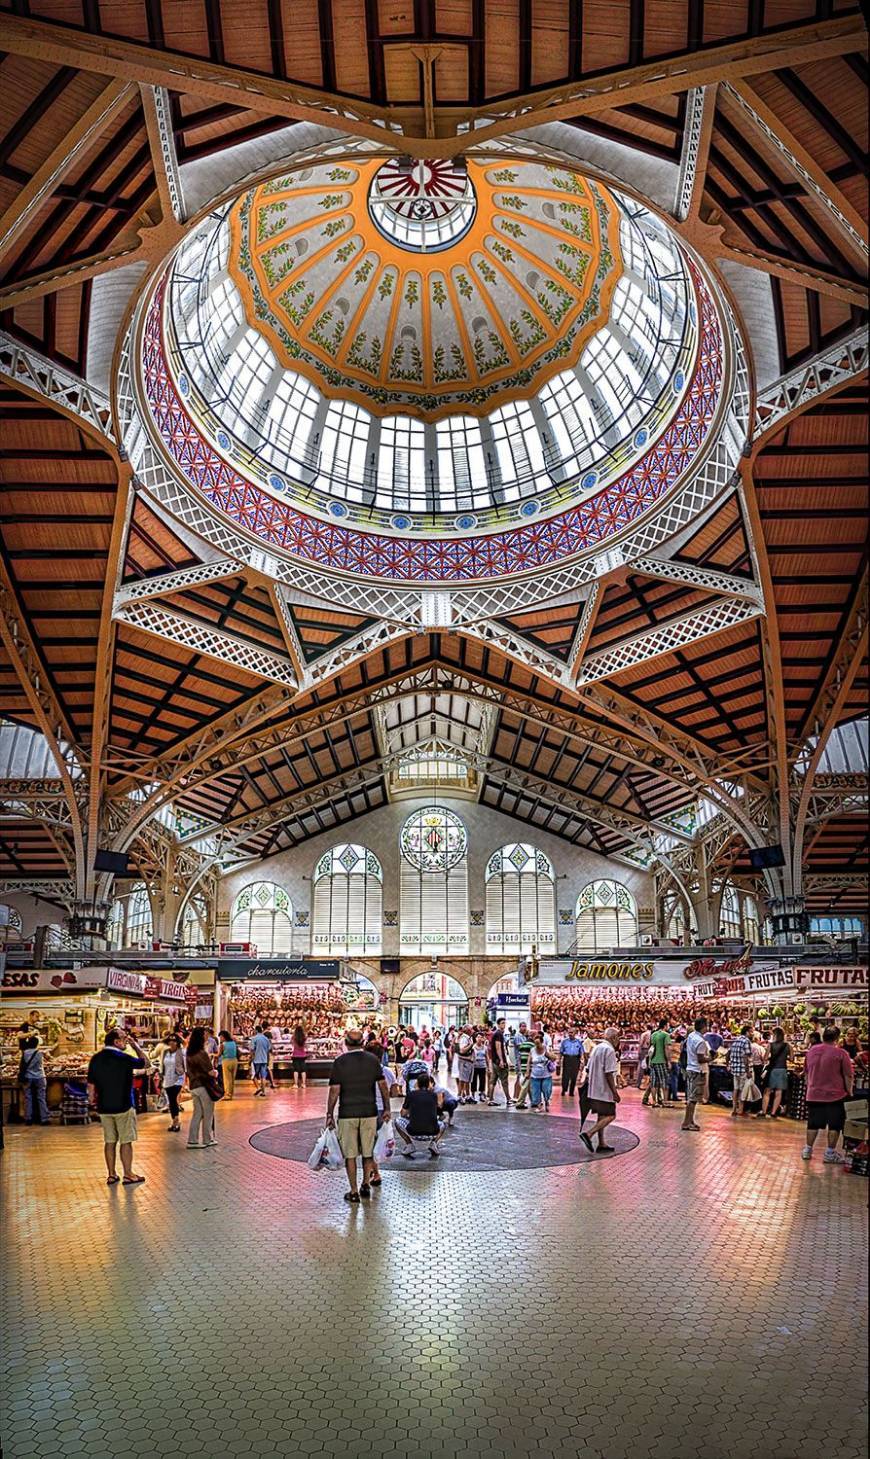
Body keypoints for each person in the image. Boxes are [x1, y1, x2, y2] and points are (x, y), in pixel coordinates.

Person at [326, 1030, 392, 1203]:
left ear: (346, 1043)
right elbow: (383, 1085)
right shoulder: (373, 1060)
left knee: (350, 1154)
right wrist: (386, 1108)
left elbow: (334, 1090)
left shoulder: (339, 1062)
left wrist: (329, 1114)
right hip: (369, 1111)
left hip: (347, 1113)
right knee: (368, 1151)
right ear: (362, 1043)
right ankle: (365, 1184)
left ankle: (353, 1191)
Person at [87, 1028, 149, 1185]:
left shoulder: (96, 1058)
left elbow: (91, 1084)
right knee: (126, 1141)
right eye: (124, 1038)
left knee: (109, 1141)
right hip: (124, 1105)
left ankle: (111, 1174)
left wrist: (92, 1102)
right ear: (116, 1041)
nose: (126, 1040)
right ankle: (128, 1174)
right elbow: (145, 1062)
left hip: (104, 1107)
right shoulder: (123, 1058)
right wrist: (135, 1046)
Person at [802, 1026, 854, 1164]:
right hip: (835, 1095)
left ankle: (807, 1150)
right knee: (834, 1125)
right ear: (837, 1038)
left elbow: (806, 1073)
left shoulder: (811, 1051)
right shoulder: (841, 1053)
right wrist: (850, 1091)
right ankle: (829, 1153)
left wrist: (810, 1087)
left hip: (813, 1094)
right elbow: (848, 1075)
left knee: (813, 1123)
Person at [579, 1028, 621, 1155]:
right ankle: (589, 1133)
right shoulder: (609, 1050)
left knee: (602, 1115)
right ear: (613, 1038)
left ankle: (602, 1143)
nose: (618, 1041)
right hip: (604, 1090)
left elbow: (588, 1068)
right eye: (618, 1038)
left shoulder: (597, 1047)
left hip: (594, 1089)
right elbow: (609, 1073)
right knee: (611, 1115)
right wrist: (615, 1092)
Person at [395, 1072, 445, 1160]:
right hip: (432, 1132)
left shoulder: (411, 1094)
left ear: (417, 1082)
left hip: (413, 1132)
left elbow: (403, 1113)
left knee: (397, 1121)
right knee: (443, 1124)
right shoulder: (433, 1095)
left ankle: (409, 1144)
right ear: (429, 1083)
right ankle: (434, 1143)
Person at [186, 1027, 218, 1149]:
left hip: (193, 1086)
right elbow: (210, 1072)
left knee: (197, 1113)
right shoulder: (202, 1053)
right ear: (200, 1037)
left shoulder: (189, 1053)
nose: (207, 1037)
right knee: (208, 1113)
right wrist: (216, 1073)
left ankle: (192, 1140)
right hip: (204, 1086)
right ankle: (207, 1139)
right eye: (205, 1035)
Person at [682, 1017, 710, 1132]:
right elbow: (701, 1059)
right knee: (693, 1099)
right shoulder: (701, 1041)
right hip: (698, 1070)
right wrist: (711, 1058)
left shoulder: (691, 1036)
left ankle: (690, 1120)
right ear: (703, 1027)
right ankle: (686, 1123)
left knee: (691, 1097)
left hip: (690, 1068)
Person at [760, 1028, 790, 1119]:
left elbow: (765, 1058)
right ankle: (773, 1113)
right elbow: (792, 1058)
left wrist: (770, 1058)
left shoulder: (771, 1045)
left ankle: (764, 1111)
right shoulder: (788, 1045)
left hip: (773, 1070)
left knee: (767, 1091)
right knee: (779, 1091)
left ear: (775, 1035)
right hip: (782, 1070)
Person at [19, 1036, 49, 1126]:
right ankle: (44, 1119)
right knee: (41, 1097)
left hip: (28, 1077)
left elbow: (22, 1065)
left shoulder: (24, 1053)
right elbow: (43, 1063)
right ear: (37, 1044)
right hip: (40, 1076)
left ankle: (28, 1119)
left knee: (28, 1097)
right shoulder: (39, 1053)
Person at [728, 1024, 754, 1118]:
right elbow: (746, 1057)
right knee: (743, 1090)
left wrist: (729, 1064)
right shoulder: (746, 1041)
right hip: (742, 1069)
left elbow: (728, 1053)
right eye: (751, 1032)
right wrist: (748, 1071)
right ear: (747, 1032)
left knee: (736, 1089)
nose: (752, 1034)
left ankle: (734, 1109)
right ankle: (741, 1110)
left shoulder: (736, 1040)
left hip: (735, 1069)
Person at [643, 1019, 670, 1109]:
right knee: (664, 1082)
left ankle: (654, 1102)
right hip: (661, 1061)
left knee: (654, 1083)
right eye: (668, 1025)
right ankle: (665, 1102)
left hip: (653, 1061)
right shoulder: (666, 1035)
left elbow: (650, 1047)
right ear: (665, 1026)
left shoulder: (653, 1034)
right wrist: (668, 1061)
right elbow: (666, 1048)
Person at [161, 1033, 186, 1131]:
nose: (172, 1043)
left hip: (178, 1078)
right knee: (171, 1101)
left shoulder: (181, 1052)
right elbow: (163, 1065)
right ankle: (174, 1121)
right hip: (167, 1078)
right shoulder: (165, 1052)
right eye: (170, 1041)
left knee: (174, 1099)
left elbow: (185, 1066)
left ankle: (176, 1121)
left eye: (174, 1041)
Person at [487, 1017, 512, 1106]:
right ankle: (508, 1099)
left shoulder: (497, 1034)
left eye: (504, 1023)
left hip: (495, 1061)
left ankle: (490, 1099)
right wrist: (501, 1060)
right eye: (502, 1023)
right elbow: (498, 1047)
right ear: (498, 1024)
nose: (503, 1025)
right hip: (498, 1061)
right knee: (504, 1081)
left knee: (493, 1080)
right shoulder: (498, 1034)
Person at [527, 1034, 554, 1113]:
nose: (537, 1045)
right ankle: (539, 1106)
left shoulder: (546, 1049)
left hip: (546, 1075)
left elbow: (554, 1058)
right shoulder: (532, 1050)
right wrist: (527, 1071)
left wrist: (548, 1055)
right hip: (535, 1075)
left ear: (542, 1042)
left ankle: (547, 1102)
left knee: (547, 1090)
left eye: (538, 1043)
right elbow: (529, 1062)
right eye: (535, 1043)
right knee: (536, 1091)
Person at [559, 1026, 583, 1097]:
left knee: (574, 1076)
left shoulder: (579, 1042)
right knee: (565, 1076)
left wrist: (582, 1061)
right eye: (569, 1032)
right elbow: (561, 1052)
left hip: (575, 1060)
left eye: (572, 1032)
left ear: (575, 1033)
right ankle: (564, 1089)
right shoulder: (564, 1042)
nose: (570, 1034)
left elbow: (581, 1052)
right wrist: (559, 1061)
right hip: (567, 1059)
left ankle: (571, 1091)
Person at [250, 1024, 271, 1097]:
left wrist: (251, 1059)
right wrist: (268, 1060)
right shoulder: (266, 1039)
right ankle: (263, 1092)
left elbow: (252, 1050)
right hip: (264, 1059)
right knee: (263, 1076)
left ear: (256, 1030)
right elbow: (268, 1050)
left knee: (254, 1075)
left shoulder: (254, 1038)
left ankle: (258, 1087)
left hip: (256, 1059)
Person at [218, 1029, 239, 1100]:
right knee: (232, 1079)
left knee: (227, 1079)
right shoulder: (233, 1043)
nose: (220, 1039)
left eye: (220, 1037)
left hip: (226, 1061)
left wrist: (212, 1054)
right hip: (234, 1061)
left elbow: (219, 1055)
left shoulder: (222, 1045)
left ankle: (227, 1095)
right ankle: (231, 1094)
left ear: (224, 1037)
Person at [455, 1027, 474, 1103]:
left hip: (468, 1061)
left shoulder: (468, 1037)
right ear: (468, 1030)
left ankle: (468, 1096)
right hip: (464, 1061)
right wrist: (471, 1045)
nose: (472, 1030)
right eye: (471, 1029)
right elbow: (462, 1050)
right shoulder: (464, 1038)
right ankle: (459, 1096)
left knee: (467, 1080)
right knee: (462, 1079)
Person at [470, 1033, 488, 1101]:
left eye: (481, 1037)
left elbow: (487, 1057)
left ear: (483, 1038)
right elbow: (471, 1056)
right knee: (473, 1081)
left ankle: (482, 1094)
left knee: (482, 1081)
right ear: (475, 1038)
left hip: (482, 1066)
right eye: (478, 1037)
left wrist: (488, 1066)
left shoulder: (485, 1047)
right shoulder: (473, 1047)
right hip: (474, 1066)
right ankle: (473, 1095)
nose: (479, 1038)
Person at [291, 1024, 309, 1090]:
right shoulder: (304, 1037)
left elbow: (291, 1043)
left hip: (295, 1055)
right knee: (303, 1070)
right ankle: (303, 1084)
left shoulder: (293, 1037)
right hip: (303, 1055)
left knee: (296, 1070)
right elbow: (306, 1046)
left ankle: (295, 1084)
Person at [636, 1026, 652, 1090]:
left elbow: (641, 1043)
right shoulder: (653, 1034)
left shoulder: (644, 1034)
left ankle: (639, 1083)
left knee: (641, 1066)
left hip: (644, 1050)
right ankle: (648, 1084)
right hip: (650, 1050)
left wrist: (639, 1052)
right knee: (649, 1067)